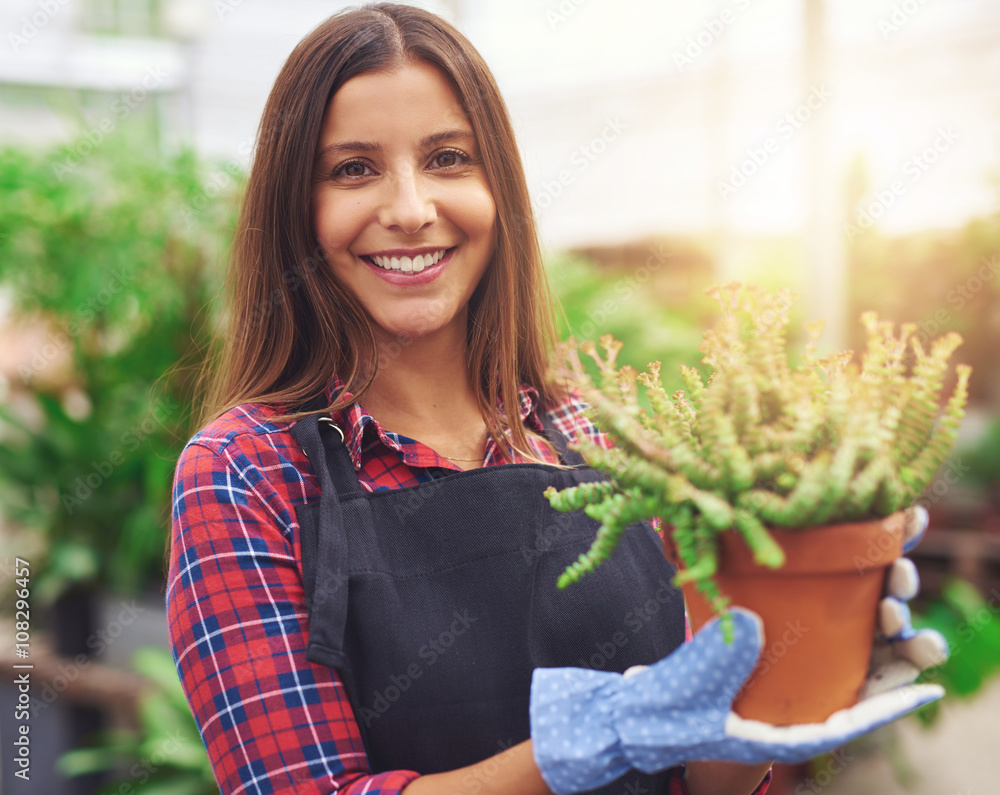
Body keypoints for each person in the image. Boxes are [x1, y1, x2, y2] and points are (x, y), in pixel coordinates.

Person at [166, 5, 945, 795]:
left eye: (447, 158)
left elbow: (699, 773)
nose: (408, 208)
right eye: (353, 169)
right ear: (295, 209)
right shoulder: (245, 474)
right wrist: (581, 743)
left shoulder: (591, 430)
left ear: (498, 187)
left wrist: (782, 676)